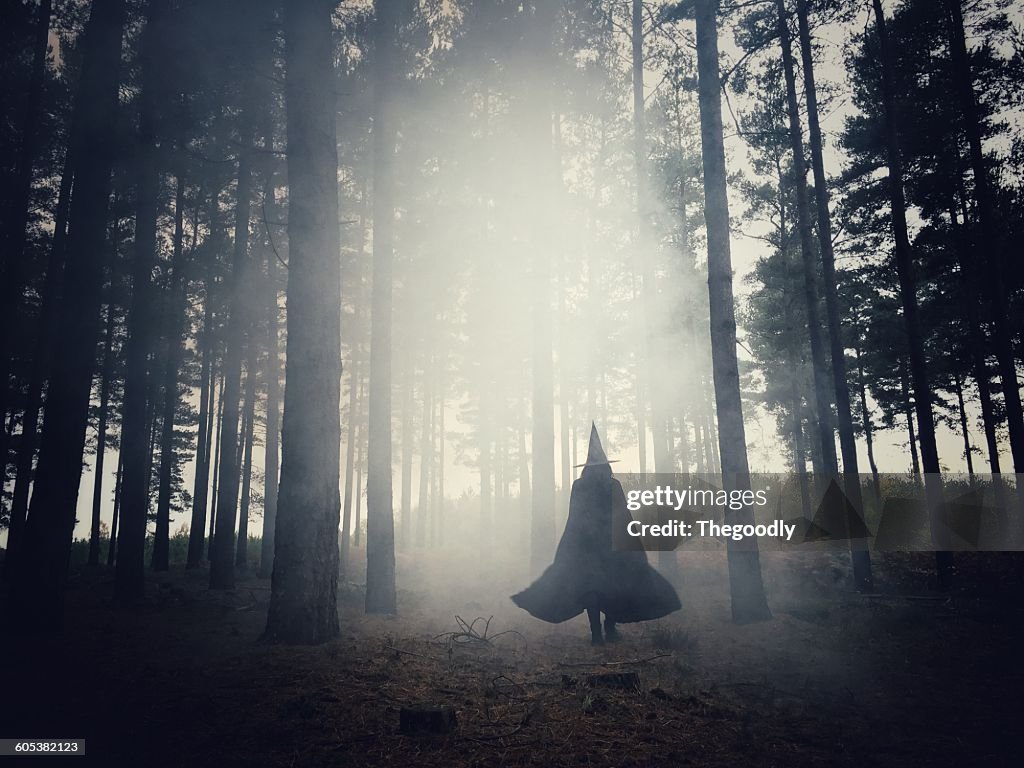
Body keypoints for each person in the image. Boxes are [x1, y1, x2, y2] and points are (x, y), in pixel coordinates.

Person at [511, 424, 681, 644]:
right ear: (606, 466)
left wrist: (571, 546)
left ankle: (596, 634)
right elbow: (623, 517)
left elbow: (575, 518)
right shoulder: (613, 485)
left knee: (591, 588)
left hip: (585, 545)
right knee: (613, 585)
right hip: (610, 545)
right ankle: (608, 629)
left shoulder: (579, 486)